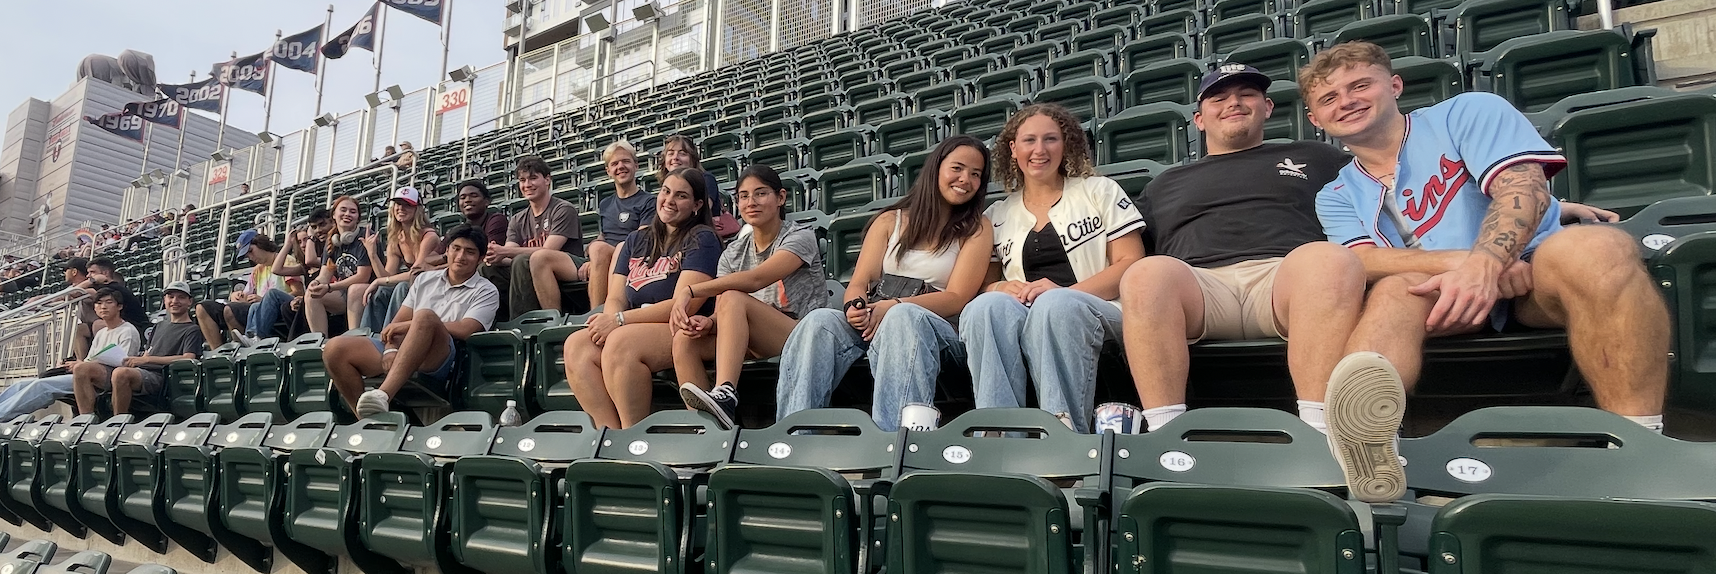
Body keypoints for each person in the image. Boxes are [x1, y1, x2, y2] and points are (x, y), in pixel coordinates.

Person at [1302, 41, 1669, 501]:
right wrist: (1467, 264)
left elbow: (1523, 186)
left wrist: (1488, 262)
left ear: (1394, 85)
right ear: (1316, 119)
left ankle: (1640, 448)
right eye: (1329, 99)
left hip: (1536, 274)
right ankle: (1368, 458)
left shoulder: (1466, 113)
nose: (1347, 101)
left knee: (1598, 247)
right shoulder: (1336, 193)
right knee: (1393, 292)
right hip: (1441, 294)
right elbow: (1363, 259)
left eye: (1360, 85)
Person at [1117, 64, 1375, 437]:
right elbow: (1124, 249)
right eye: (1219, 98)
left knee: (1328, 259)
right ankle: (1165, 435)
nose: (1233, 103)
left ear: (1267, 107)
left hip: (1286, 279)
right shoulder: (1164, 183)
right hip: (1201, 288)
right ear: (1199, 119)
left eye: (1247, 95)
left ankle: (1322, 433)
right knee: (1145, 275)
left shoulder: (1316, 156)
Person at [775, 136, 995, 431]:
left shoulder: (977, 228)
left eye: (976, 174)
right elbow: (859, 283)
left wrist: (894, 307)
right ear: (936, 168)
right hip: (878, 315)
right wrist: (855, 306)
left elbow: (957, 297)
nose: (965, 179)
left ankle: (896, 443)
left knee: (903, 318)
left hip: (938, 327)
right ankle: (793, 435)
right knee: (819, 322)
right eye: (957, 168)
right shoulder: (890, 220)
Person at [960, 104, 1146, 432]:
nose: (1040, 150)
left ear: (1066, 144)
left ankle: (1063, 435)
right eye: (1029, 140)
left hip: (1103, 310)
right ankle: (998, 434)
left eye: (1051, 139)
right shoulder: (997, 214)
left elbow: (1131, 263)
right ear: (1013, 149)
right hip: (1029, 312)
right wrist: (1001, 287)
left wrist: (1066, 293)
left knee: (1055, 304)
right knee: (985, 307)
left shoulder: (1098, 190)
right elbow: (985, 284)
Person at [669, 164, 828, 429]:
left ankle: (725, 393)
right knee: (685, 339)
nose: (751, 202)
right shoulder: (733, 252)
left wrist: (693, 290)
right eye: (743, 196)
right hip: (752, 335)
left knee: (733, 295)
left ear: (781, 198)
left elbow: (757, 279)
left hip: (802, 332)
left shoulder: (800, 236)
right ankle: (707, 429)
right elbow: (724, 313)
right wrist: (710, 322)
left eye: (760, 193)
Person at [563, 167, 721, 429]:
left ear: (697, 205)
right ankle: (608, 434)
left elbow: (682, 306)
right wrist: (610, 318)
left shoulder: (702, 239)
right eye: (666, 191)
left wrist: (619, 321)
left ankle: (632, 434)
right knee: (577, 344)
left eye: (681, 196)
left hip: (687, 328)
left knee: (622, 341)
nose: (669, 200)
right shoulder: (636, 239)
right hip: (634, 325)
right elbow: (616, 297)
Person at [323, 225, 501, 419]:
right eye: (456, 249)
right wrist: (391, 349)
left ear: (480, 258)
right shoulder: (424, 280)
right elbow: (395, 325)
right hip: (403, 346)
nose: (460, 256)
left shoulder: (486, 290)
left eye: (470, 252)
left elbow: (467, 329)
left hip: (443, 356)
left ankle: (383, 395)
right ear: (447, 250)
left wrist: (412, 325)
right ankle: (367, 418)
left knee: (425, 317)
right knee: (334, 348)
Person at [483, 156, 585, 320]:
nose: (527, 184)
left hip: (567, 268)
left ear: (547, 180)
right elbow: (510, 256)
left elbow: (548, 251)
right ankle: (497, 326)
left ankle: (526, 324)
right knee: (488, 268)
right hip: (530, 268)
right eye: (522, 180)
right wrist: (495, 256)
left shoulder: (563, 209)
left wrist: (505, 251)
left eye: (533, 178)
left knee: (523, 260)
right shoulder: (517, 219)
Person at [94, 282, 206, 415]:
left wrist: (146, 360)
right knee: (89, 370)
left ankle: (118, 420)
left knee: (120, 373)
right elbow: (148, 352)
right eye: (170, 297)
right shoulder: (159, 326)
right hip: (143, 372)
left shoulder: (192, 329)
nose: (175, 301)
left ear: (189, 302)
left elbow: (189, 358)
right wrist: (138, 360)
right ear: (164, 300)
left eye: (181, 297)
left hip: (162, 377)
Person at [575, 141, 654, 310]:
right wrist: (594, 259)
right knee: (597, 248)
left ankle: (606, 313)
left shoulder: (649, 201)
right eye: (615, 163)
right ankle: (595, 313)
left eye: (626, 161)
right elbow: (605, 235)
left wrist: (600, 252)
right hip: (607, 256)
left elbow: (642, 239)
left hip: (635, 256)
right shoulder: (605, 204)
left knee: (613, 248)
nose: (621, 166)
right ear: (608, 171)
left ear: (636, 165)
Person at [353, 186, 444, 331]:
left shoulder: (429, 236)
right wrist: (372, 254)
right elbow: (386, 276)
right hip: (416, 284)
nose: (401, 208)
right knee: (382, 290)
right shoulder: (397, 238)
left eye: (407, 205)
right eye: (398, 204)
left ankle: (391, 334)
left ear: (417, 209)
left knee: (401, 287)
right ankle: (367, 335)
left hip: (434, 284)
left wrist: (379, 281)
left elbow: (417, 273)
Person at [198, 231, 300, 346]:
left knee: (271, 294)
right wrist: (236, 296)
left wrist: (265, 300)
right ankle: (249, 338)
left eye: (251, 251)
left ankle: (258, 336)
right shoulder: (257, 270)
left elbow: (299, 292)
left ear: (261, 244)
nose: (251, 257)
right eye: (248, 255)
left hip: (285, 305)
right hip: (262, 309)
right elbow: (246, 296)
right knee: (247, 306)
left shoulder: (286, 260)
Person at [304, 196, 375, 334]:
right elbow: (325, 273)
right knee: (311, 295)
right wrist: (317, 283)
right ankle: (320, 341)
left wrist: (330, 287)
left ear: (358, 217)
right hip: (345, 293)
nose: (348, 214)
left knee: (355, 289)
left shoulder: (365, 236)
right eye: (343, 210)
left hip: (369, 290)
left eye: (353, 211)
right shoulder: (332, 240)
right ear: (334, 215)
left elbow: (363, 277)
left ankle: (355, 337)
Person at [68, 287, 142, 416]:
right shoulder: (101, 333)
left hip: (118, 373)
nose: (103, 307)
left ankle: (87, 416)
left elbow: (126, 361)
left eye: (108, 302)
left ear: (119, 306)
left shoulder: (128, 330)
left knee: (81, 369)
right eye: (99, 303)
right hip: (99, 371)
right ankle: (84, 417)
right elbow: (89, 359)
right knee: (78, 367)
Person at [659, 135, 740, 238]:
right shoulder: (665, 185)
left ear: (692, 159)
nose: (675, 157)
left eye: (682, 153)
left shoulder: (706, 179)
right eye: (670, 153)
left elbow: (701, 213)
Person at [275, 207, 333, 337]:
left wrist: (312, 237)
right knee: (287, 307)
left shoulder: (323, 258)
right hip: (313, 302)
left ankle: (296, 342)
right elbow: (276, 269)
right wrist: (287, 245)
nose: (303, 244)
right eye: (299, 242)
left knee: (303, 300)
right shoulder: (305, 268)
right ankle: (299, 341)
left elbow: (310, 260)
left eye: (305, 239)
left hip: (330, 299)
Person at [457, 180, 509, 247]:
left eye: (474, 196)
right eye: (462, 198)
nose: (467, 200)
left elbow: (491, 251)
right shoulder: (458, 230)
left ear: (486, 201)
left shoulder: (497, 220)